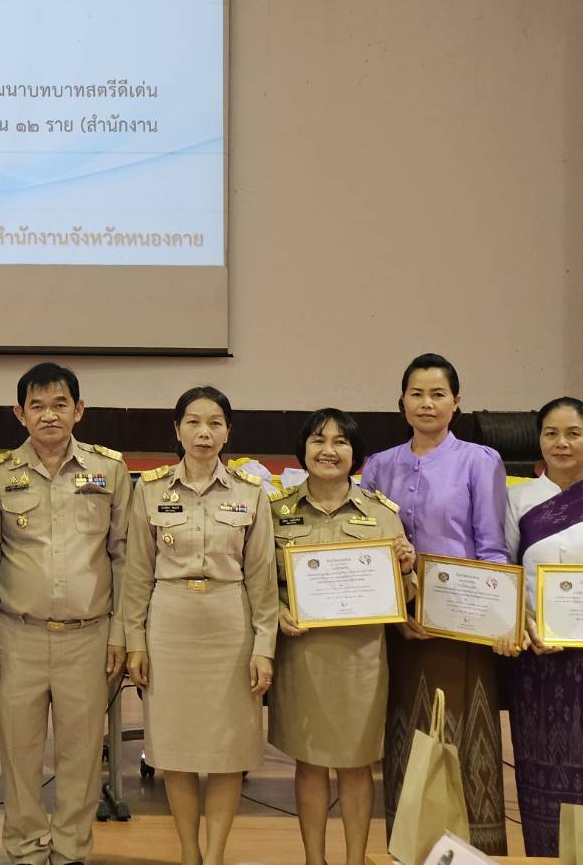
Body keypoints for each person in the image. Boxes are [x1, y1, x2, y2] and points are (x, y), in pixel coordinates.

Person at [0, 362, 129, 865]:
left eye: (60, 404)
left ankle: (71, 851)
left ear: (79, 410)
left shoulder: (109, 470)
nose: (49, 415)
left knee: (81, 757)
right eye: (37, 406)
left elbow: (126, 559)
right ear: (19, 414)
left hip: (90, 635)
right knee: (19, 754)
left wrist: (121, 634)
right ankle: (24, 850)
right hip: (17, 634)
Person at [115, 386, 276, 865]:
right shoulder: (149, 489)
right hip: (171, 622)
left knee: (230, 748)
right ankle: (188, 851)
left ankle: (218, 853)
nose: (204, 433)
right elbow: (137, 574)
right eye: (193, 422)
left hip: (231, 623)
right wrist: (135, 641)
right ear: (177, 429)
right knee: (175, 746)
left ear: (228, 432)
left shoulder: (251, 494)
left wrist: (264, 645)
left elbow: (263, 580)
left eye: (215, 423)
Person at [360, 353, 510, 855]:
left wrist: (490, 619)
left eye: (438, 394)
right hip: (400, 630)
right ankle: (411, 850)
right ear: (401, 401)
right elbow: (367, 552)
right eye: (417, 394)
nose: (427, 403)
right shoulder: (379, 466)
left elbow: (491, 548)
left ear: (456, 402)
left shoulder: (479, 460)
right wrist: (399, 615)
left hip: (463, 630)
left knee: (464, 745)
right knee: (407, 745)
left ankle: (471, 854)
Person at [267, 408, 416, 865]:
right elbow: (257, 581)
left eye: (340, 442)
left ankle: (354, 860)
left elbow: (404, 596)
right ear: (303, 450)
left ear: (356, 455)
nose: (328, 450)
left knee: (355, 765)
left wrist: (408, 569)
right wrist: (276, 609)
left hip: (360, 660)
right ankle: (314, 859)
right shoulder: (275, 512)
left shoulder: (381, 513)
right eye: (318, 440)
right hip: (303, 655)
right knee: (308, 763)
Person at [503, 396, 583, 856]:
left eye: (573, 433)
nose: (561, 443)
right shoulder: (517, 497)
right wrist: (524, 619)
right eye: (551, 433)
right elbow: (504, 570)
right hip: (538, 660)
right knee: (541, 768)